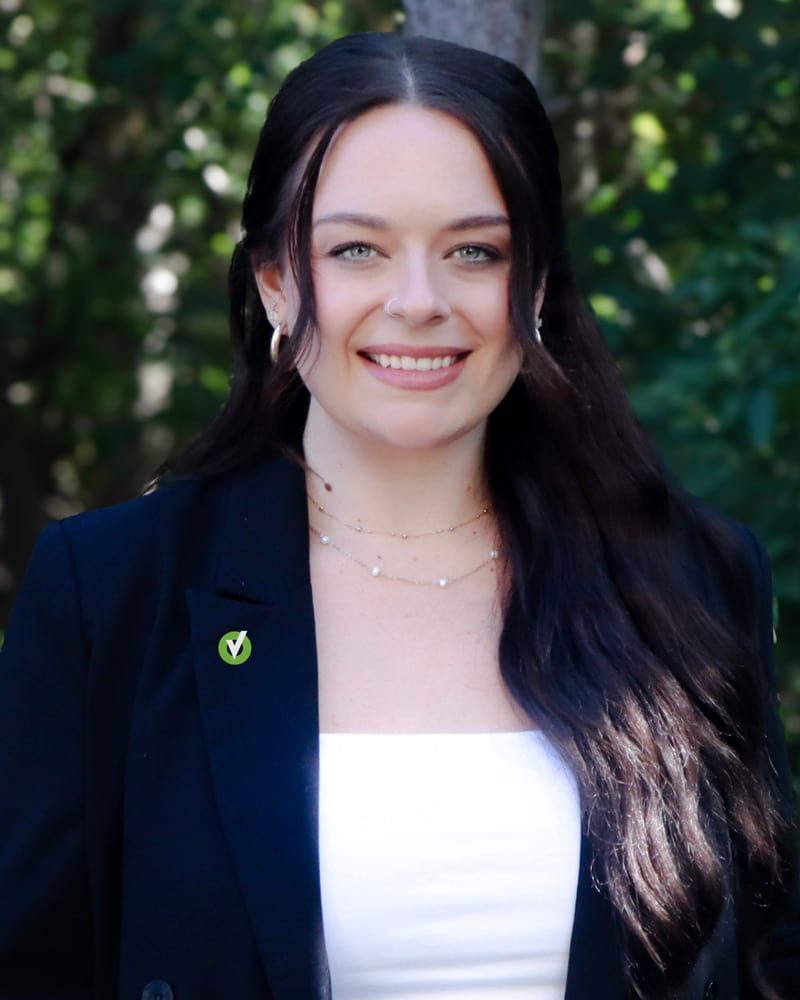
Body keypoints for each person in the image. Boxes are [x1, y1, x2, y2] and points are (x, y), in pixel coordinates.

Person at [0, 30, 798, 1000]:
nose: (418, 302)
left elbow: (770, 959)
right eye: (357, 249)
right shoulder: (110, 594)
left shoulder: (692, 581)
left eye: (473, 251)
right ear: (275, 282)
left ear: (536, 285)